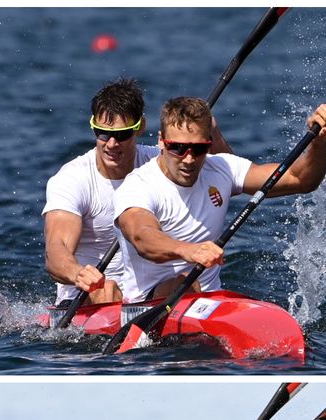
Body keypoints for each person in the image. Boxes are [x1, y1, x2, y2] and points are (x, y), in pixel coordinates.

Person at [114, 96, 326, 303]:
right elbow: (143, 237)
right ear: (161, 141)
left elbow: (300, 180)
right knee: (183, 282)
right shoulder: (139, 185)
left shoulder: (223, 168)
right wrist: (189, 251)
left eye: (198, 149)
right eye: (178, 148)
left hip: (209, 301)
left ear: (209, 143)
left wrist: (318, 143)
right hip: (147, 304)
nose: (189, 158)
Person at [43, 79, 231, 306]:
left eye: (121, 135)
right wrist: (77, 273)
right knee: (107, 289)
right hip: (87, 296)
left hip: (144, 294)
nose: (111, 144)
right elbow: (56, 251)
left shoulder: (165, 160)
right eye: (102, 133)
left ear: (140, 127)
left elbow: (222, 173)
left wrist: (211, 134)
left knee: (183, 283)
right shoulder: (72, 179)